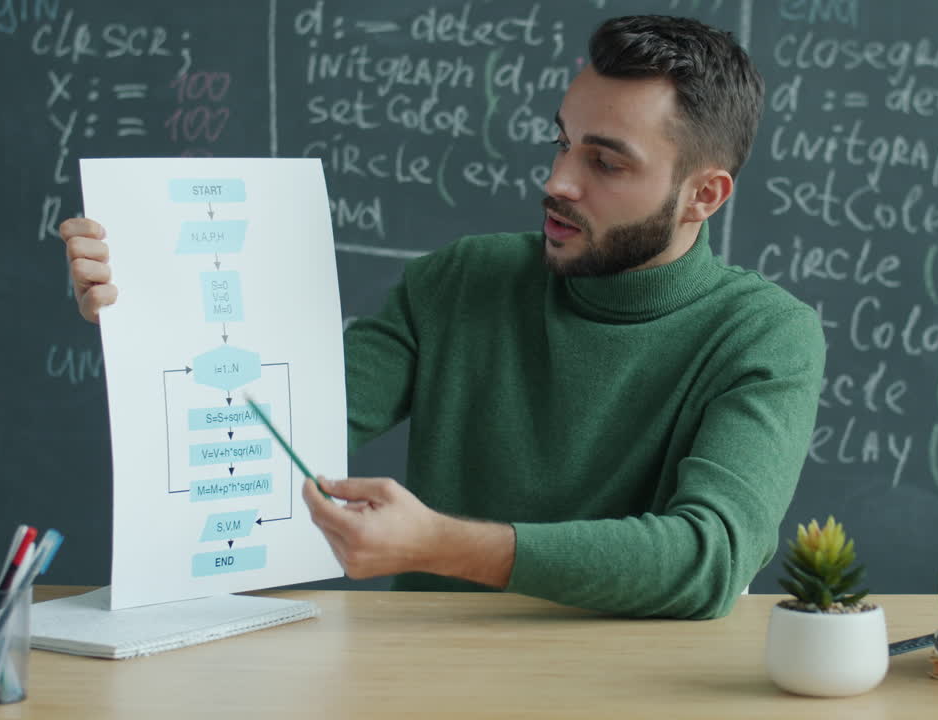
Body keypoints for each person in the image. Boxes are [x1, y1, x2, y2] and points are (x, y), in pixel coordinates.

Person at [61, 15, 825, 619]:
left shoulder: (765, 335)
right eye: (561, 142)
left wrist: (444, 545)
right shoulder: (462, 279)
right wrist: (155, 317)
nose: (557, 180)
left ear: (704, 195)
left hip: (639, 693)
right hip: (429, 679)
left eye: (606, 161)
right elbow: (289, 429)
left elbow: (710, 558)